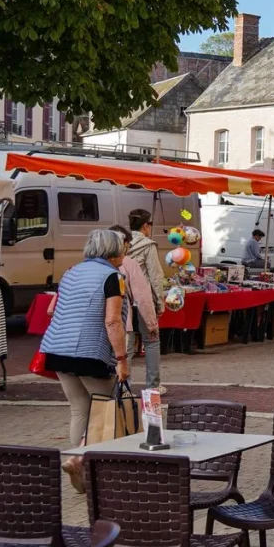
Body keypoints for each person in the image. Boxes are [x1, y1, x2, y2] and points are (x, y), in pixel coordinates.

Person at [41, 230, 131, 492]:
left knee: (80, 410)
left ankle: (82, 477)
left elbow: (52, 309)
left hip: (57, 349)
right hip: (90, 352)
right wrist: (122, 359)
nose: (125, 252)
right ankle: (78, 459)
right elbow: (113, 321)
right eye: (123, 247)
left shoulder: (71, 272)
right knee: (108, 411)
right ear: (113, 251)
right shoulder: (113, 277)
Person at [110, 225, 158, 376]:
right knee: (124, 361)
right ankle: (149, 388)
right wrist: (151, 323)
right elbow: (143, 296)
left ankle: (110, 395)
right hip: (122, 324)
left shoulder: (84, 266)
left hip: (95, 327)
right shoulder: (129, 263)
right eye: (127, 246)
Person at [126, 209, 164, 391]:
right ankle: (152, 387)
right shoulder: (148, 246)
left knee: (127, 341)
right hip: (143, 300)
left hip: (123, 298)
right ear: (145, 226)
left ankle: (124, 385)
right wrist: (159, 303)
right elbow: (155, 277)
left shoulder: (120, 243)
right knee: (151, 341)